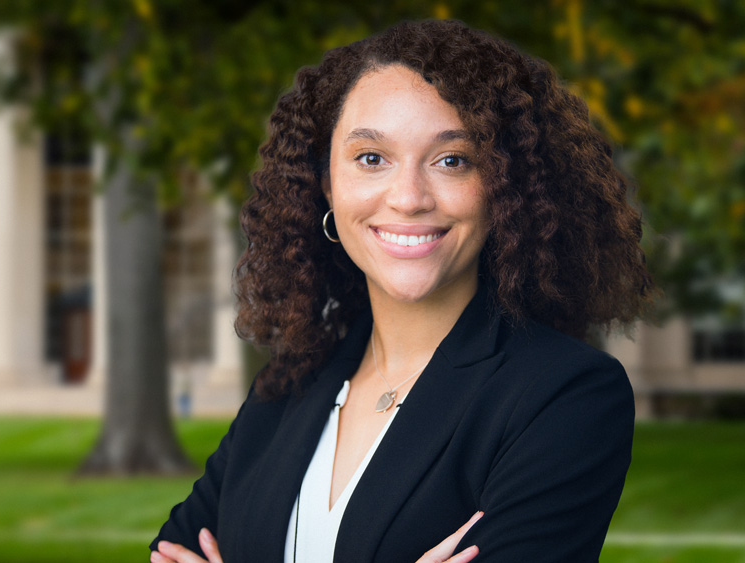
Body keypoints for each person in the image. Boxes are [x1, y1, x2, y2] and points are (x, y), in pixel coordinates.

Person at [150, 18, 654, 563]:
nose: (409, 197)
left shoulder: (565, 395)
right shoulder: (292, 380)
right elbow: (169, 550)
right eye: (371, 159)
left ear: (503, 189)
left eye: (452, 160)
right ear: (326, 185)